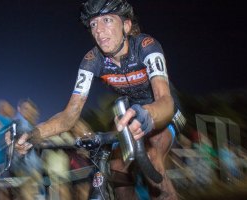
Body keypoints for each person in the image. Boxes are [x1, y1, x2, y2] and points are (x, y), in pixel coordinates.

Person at [16, 0, 186, 199]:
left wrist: (148, 114)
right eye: (93, 24)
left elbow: (164, 99)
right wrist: (35, 133)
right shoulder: (92, 61)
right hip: (131, 111)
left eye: (106, 20)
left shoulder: (146, 46)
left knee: (151, 152)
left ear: (126, 25)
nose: (98, 30)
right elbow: (69, 116)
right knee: (117, 167)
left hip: (164, 109)